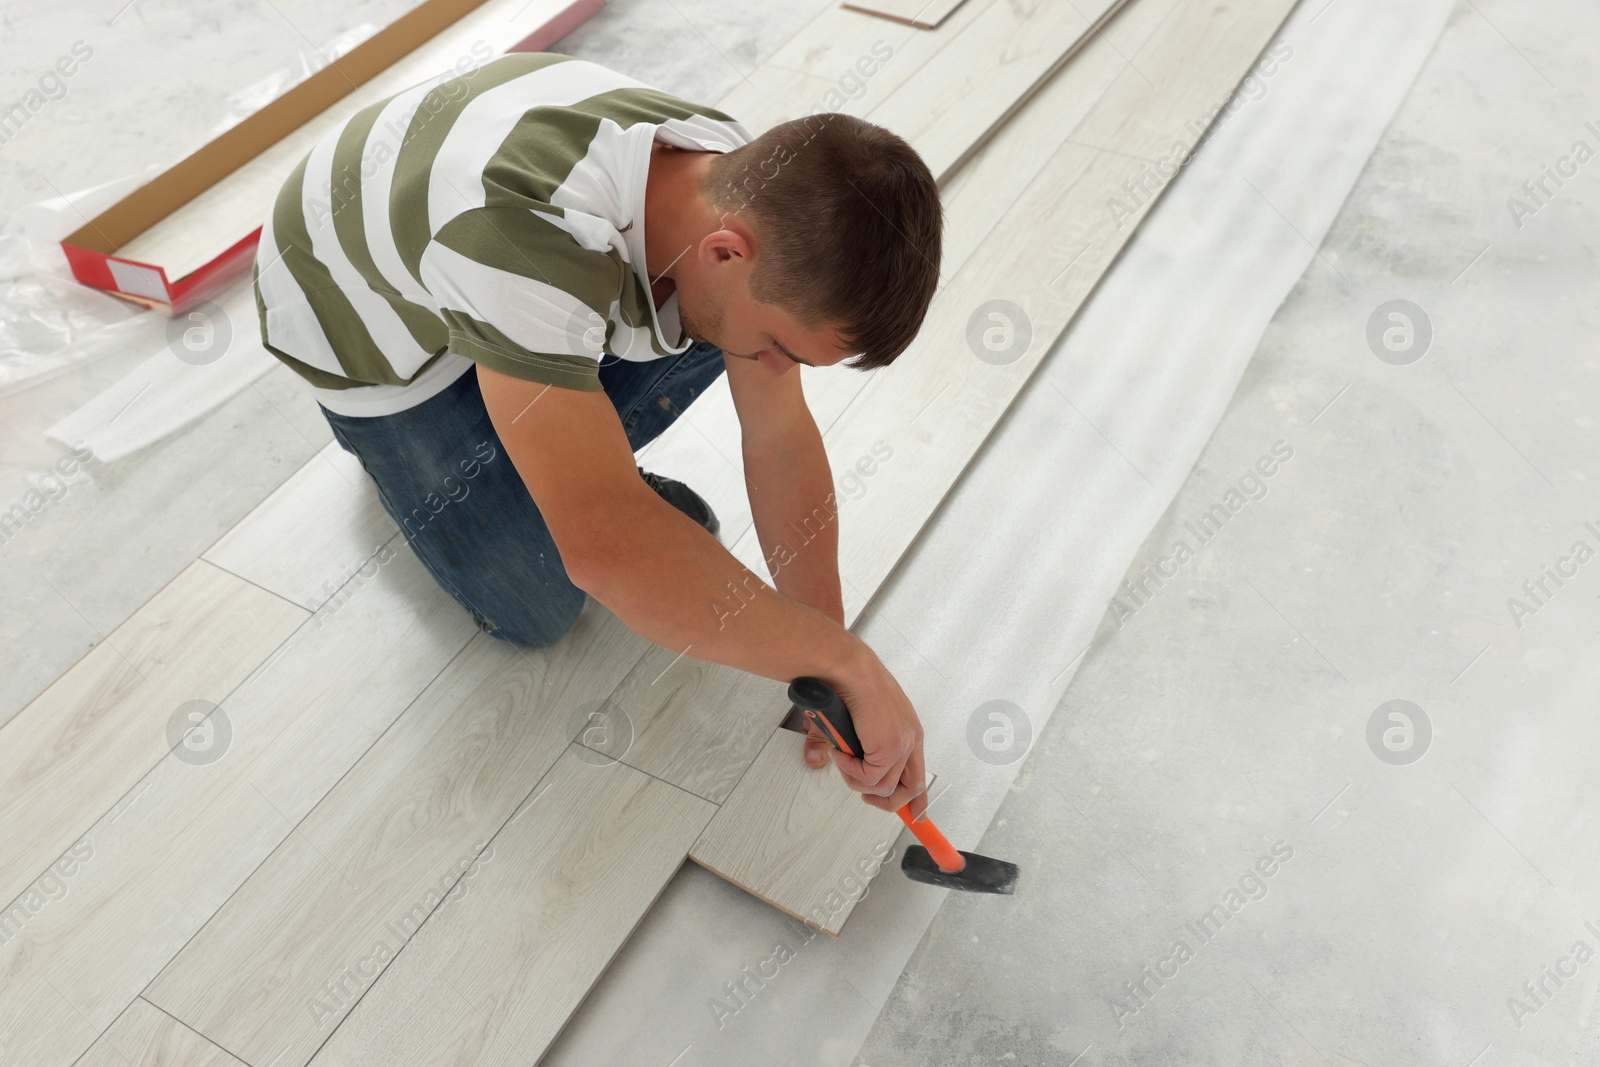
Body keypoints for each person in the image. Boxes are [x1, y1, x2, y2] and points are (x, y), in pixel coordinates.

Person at [252, 51, 942, 817]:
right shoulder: (523, 242)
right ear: (726, 250)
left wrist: (824, 660)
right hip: (376, 342)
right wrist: (847, 661)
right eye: (787, 346)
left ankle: (563, 445)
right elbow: (603, 550)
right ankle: (440, 465)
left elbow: (779, 435)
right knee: (540, 603)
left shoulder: (743, 192)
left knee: (732, 335)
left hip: (494, 279)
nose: (783, 369)